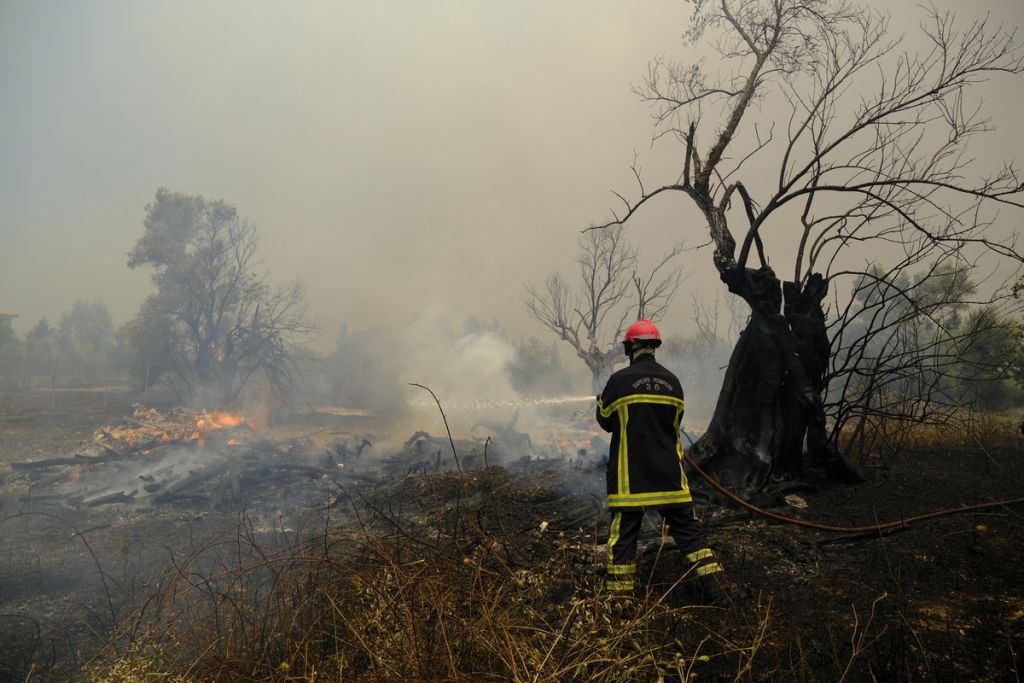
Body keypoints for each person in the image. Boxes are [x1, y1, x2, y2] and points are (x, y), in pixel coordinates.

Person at [596, 319, 732, 603]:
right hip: (670, 477)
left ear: (631, 346)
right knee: (691, 535)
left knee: (623, 540)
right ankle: (720, 589)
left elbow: (607, 421)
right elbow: (674, 423)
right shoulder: (673, 383)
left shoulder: (619, 380)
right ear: (654, 346)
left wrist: (600, 401)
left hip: (630, 479)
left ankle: (620, 604)